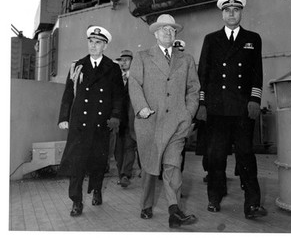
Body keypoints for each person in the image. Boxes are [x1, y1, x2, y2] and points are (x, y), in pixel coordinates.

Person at [196, 0, 267, 219]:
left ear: (241, 12)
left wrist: (255, 100)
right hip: (217, 110)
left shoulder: (253, 39)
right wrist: (202, 103)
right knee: (216, 156)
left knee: (246, 155)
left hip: (242, 110)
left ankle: (253, 204)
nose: (232, 13)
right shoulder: (211, 39)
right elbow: (203, 75)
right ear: (222, 14)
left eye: (236, 9)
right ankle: (214, 198)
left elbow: (257, 73)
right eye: (227, 10)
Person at [128, 14, 200, 229]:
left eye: (171, 30)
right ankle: (146, 204)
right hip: (150, 121)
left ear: (175, 33)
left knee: (173, 165)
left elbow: (194, 89)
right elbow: (134, 84)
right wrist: (141, 108)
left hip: (177, 122)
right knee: (150, 167)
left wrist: (188, 113)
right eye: (163, 29)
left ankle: (174, 211)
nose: (168, 32)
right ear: (156, 33)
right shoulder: (142, 57)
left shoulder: (186, 60)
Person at [58, 25, 124, 217]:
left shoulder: (112, 68)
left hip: (100, 124)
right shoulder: (77, 66)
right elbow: (68, 94)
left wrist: (115, 117)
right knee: (76, 164)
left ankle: (96, 190)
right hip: (80, 124)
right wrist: (63, 118)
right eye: (91, 42)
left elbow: (119, 96)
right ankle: (76, 201)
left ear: (104, 46)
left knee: (97, 162)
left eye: (98, 43)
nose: (93, 46)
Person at [114, 49, 139, 187]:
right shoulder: (116, 77)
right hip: (118, 120)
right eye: (121, 60)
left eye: (126, 60)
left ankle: (125, 175)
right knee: (118, 150)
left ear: (132, 62)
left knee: (129, 147)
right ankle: (121, 174)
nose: (123, 62)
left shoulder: (136, 78)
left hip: (131, 119)